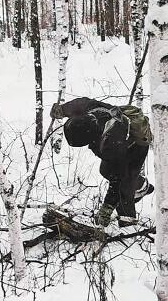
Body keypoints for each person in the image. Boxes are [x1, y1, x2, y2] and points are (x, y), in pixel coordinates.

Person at [51, 97, 154, 226]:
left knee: (125, 184)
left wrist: (107, 208)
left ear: (88, 138)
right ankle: (141, 185)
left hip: (136, 148)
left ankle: (127, 224)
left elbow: (118, 178)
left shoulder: (112, 142)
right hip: (122, 143)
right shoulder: (90, 112)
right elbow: (81, 103)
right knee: (105, 170)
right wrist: (62, 110)